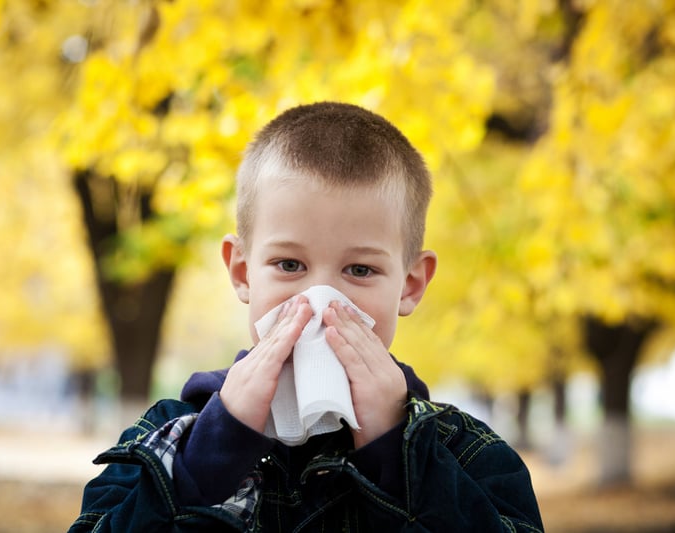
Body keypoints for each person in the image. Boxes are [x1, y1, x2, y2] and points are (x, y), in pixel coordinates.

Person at [69, 102, 544, 532]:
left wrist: (398, 455)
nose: (320, 303)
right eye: (289, 265)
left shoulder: (469, 454)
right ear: (242, 272)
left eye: (360, 270)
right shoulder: (165, 442)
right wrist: (210, 457)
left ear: (410, 283)